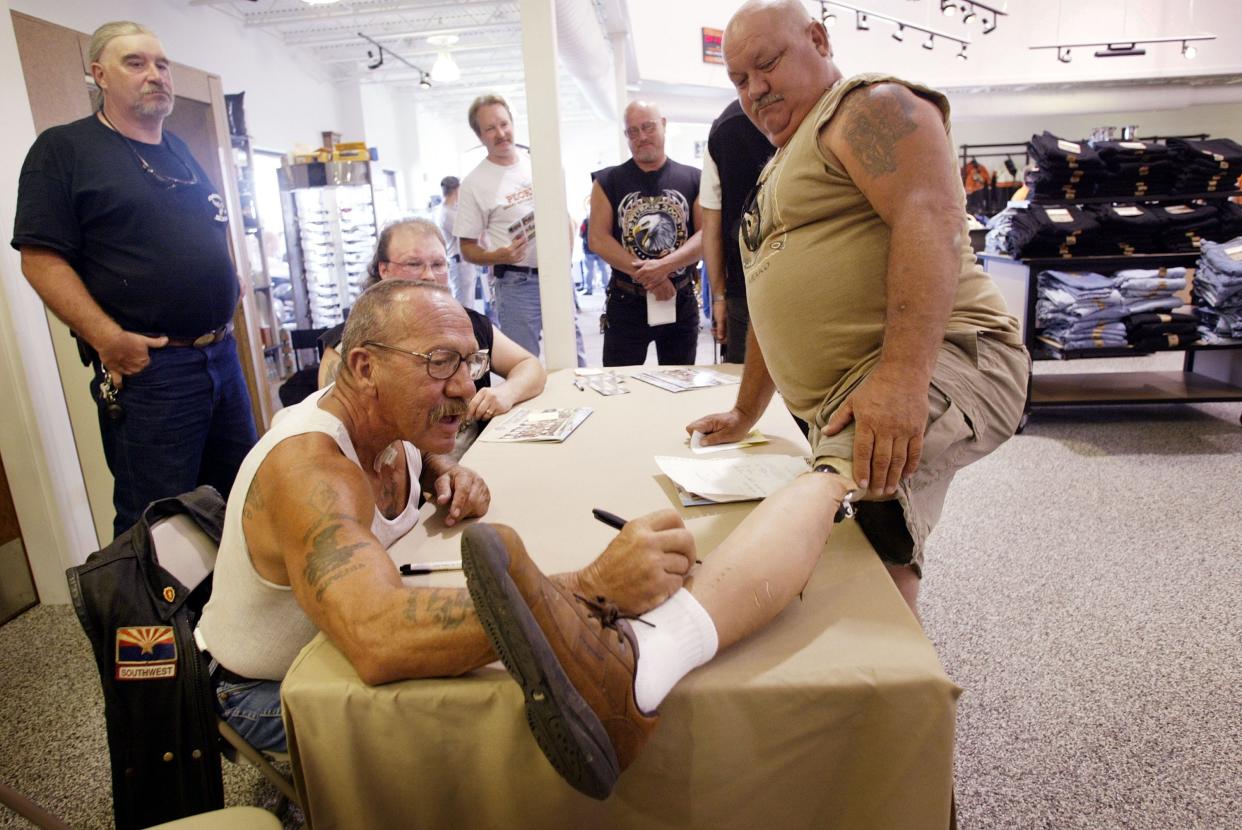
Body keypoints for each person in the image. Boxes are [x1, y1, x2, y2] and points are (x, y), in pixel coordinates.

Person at [457, 0, 1029, 800]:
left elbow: (931, 213)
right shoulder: (783, 166)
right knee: (879, 545)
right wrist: (748, 409)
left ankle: (642, 665)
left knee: (827, 482)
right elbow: (768, 296)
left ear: (820, 43)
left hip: (947, 360)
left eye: (768, 64)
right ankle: (891, 740)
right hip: (849, 385)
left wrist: (900, 377)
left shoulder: (872, 107)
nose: (754, 89)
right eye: (738, 78)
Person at [197, 279, 694, 752]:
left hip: (327, 653)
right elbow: (377, 639)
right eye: (439, 363)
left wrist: (443, 466)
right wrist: (589, 590)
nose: (464, 386)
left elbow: (400, 453)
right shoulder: (309, 470)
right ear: (365, 368)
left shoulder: (387, 421)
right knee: (499, 719)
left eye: (469, 362)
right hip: (263, 691)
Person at [11, 21, 257, 538]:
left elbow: (210, 225)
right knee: (157, 523)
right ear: (99, 74)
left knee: (238, 500)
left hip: (220, 358)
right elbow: (39, 258)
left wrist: (230, 275)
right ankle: (148, 624)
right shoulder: (64, 150)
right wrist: (108, 339)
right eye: (136, 63)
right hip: (154, 371)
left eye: (162, 64)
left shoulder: (179, 151)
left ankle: (219, 619)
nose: (155, 75)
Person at [317, 218, 546, 429]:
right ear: (383, 269)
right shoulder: (347, 344)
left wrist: (507, 393)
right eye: (414, 264)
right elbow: (339, 428)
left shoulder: (471, 325)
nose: (429, 275)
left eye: (438, 264)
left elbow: (530, 366)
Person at [455, 94, 585, 365]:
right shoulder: (474, 183)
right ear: (480, 136)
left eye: (504, 124)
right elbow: (466, 248)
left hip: (557, 278)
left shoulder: (541, 165)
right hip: (517, 285)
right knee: (525, 365)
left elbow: (565, 217)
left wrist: (566, 261)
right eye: (490, 128)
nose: (501, 133)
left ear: (513, 123)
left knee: (575, 359)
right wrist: (498, 255)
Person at [590, 101, 704, 366]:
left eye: (648, 127)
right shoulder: (607, 181)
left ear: (663, 125)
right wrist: (652, 278)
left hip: (680, 298)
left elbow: (705, 236)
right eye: (632, 131)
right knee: (620, 389)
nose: (641, 137)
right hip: (626, 301)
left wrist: (664, 267)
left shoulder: (694, 178)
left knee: (680, 385)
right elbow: (598, 239)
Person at [700, 100, 773, 362]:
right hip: (750, 288)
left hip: (748, 285)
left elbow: (712, 224)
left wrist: (719, 296)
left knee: (743, 386)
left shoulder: (724, 126)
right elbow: (710, 223)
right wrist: (719, 297)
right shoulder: (818, 111)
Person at [438, 176, 474, 308]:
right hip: (459, 261)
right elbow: (466, 230)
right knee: (464, 301)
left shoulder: (453, 209)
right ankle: (466, 327)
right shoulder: (447, 213)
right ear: (456, 190)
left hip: (464, 261)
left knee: (468, 298)